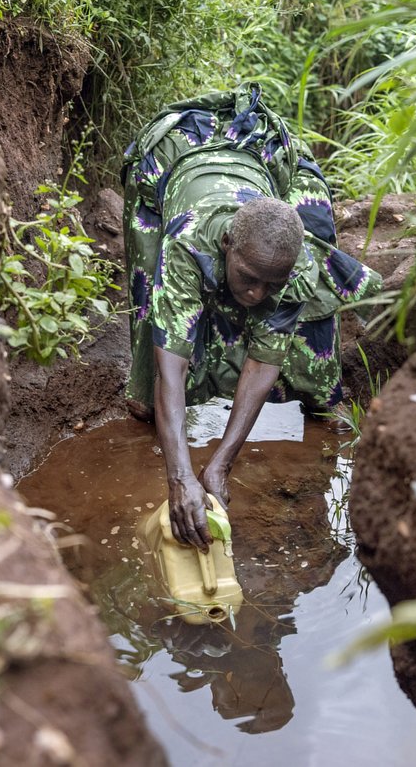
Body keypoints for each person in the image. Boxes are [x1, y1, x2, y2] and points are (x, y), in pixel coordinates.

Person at [121, 84, 382, 549]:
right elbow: (173, 361)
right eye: (247, 277)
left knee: (301, 308)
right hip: (178, 155)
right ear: (227, 247)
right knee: (153, 301)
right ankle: (143, 401)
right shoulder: (187, 243)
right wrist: (180, 476)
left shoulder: (291, 265)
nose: (256, 293)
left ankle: (321, 392)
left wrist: (221, 462)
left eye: (271, 283)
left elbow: (263, 363)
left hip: (258, 154)